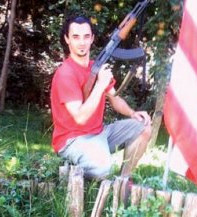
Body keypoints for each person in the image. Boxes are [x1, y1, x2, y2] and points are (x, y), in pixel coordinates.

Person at [50, 15, 152, 181]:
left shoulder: (94, 67)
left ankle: (123, 181)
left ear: (92, 39)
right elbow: (80, 117)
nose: (82, 42)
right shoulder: (65, 73)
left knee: (143, 127)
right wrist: (99, 85)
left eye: (86, 36)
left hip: (99, 133)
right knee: (102, 169)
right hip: (73, 140)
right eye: (75, 37)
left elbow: (114, 98)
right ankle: (68, 169)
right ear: (67, 39)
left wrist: (133, 113)